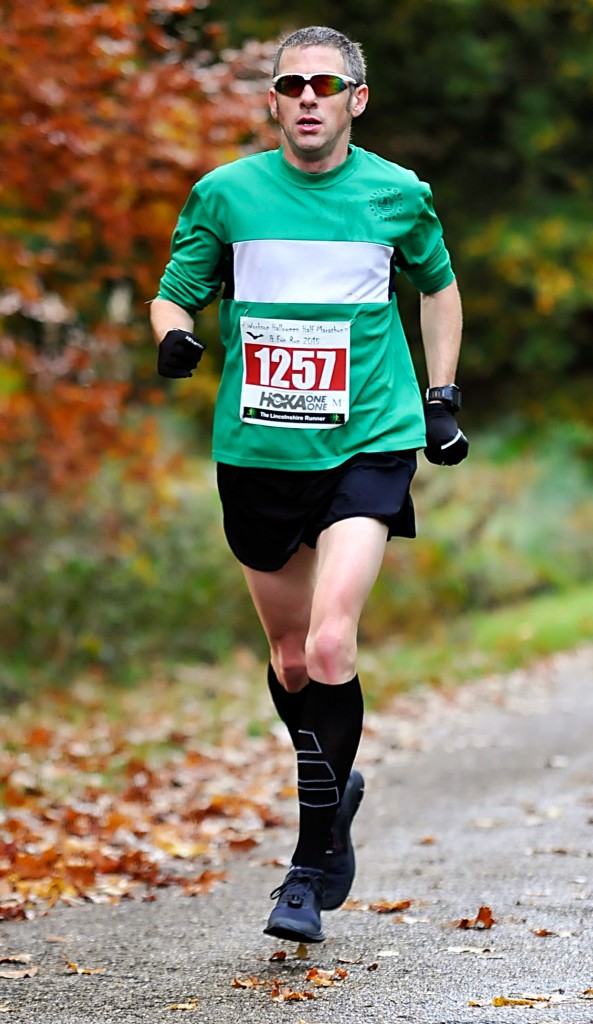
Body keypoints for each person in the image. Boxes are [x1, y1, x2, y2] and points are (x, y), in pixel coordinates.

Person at [150, 25, 468, 945]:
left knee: (332, 643)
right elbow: (177, 287)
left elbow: (439, 289)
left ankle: (308, 858)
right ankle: (338, 786)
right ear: (274, 100)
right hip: (259, 455)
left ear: (356, 100)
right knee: (292, 663)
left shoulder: (397, 195)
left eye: (326, 84)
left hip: (369, 441)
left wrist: (441, 395)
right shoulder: (228, 194)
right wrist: (175, 334)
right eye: (291, 84)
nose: (308, 98)